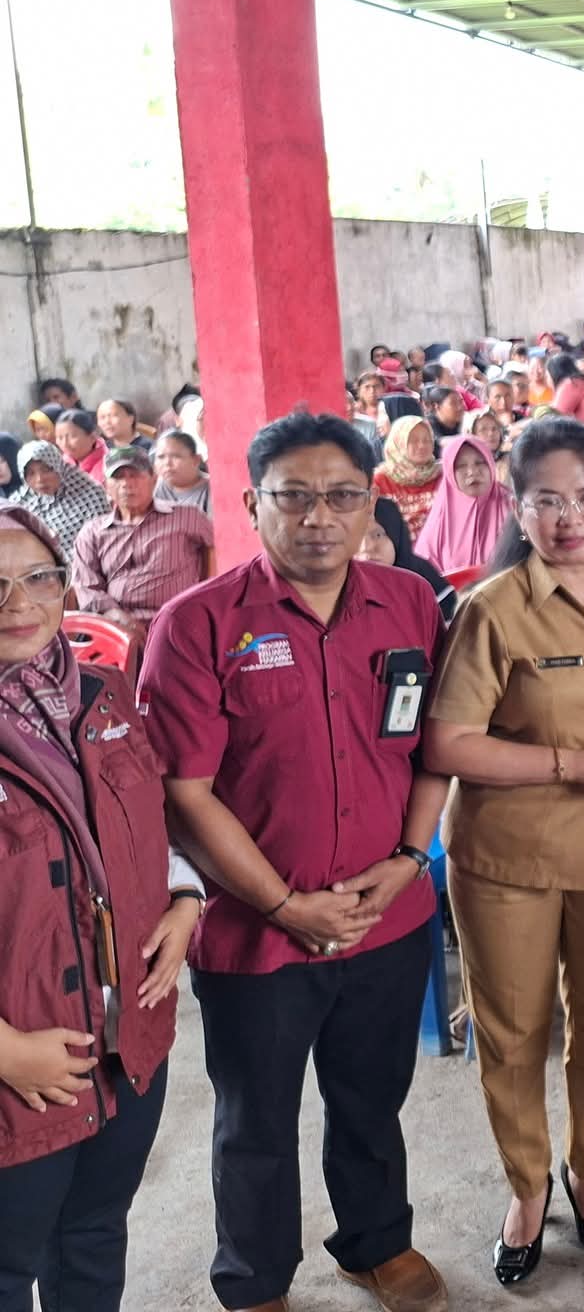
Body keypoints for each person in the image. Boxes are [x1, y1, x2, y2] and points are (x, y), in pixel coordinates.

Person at [141, 413, 451, 1312]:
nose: (320, 517)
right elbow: (185, 794)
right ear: (251, 504)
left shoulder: (409, 603)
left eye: (342, 496)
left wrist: (409, 858)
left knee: (371, 1097)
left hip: (387, 915)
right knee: (256, 1120)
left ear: (370, 503)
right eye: (295, 497)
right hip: (258, 934)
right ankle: (255, 1281)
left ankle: (375, 1243)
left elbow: (430, 747)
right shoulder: (198, 624)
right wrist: (284, 905)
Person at [421, 420, 584, 1285]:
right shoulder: (492, 610)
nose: (571, 518)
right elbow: (449, 742)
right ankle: (527, 1187)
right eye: (547, 501)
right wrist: (570, 764)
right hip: (508, 862)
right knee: (513, 1032)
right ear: (518, 508)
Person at [0, 504, 197, 1312]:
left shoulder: (103, 693)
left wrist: (184, 896)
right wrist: (6, 1053)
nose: (17, 604)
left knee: (92, 1233)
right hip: (24, 1062)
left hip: (123, 1035)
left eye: (36, 579)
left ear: (66, 585)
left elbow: (148, 822)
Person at [68, 447, 215, 636]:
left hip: (177, 623)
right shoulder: (92, 532)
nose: (127, 484)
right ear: (105, 485)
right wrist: (116, 616)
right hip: (116, 628)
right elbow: (86, 587)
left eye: (135, 475)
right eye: (118, 477)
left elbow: (221, 551)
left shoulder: (187, 517)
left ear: (154, 479)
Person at [411, 434, 515, 576]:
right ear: (449, 473)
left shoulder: (513, 508)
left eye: (480, 463)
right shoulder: (439, 520)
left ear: (491, 464)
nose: (472, 472)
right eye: (461, 466)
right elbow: (423, 575)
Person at [360, 498, 457, 626]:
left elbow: (452, 631)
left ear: (396, 535)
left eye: (378, 535)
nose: (366, 547)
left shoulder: (424, 579)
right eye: (356, 536)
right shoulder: (338, 587)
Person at [14, 440, 110, 562]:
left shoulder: (91, 493)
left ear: (58, 466)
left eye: (46, 469)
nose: (40, 479)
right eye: (31, 473)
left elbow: (103, 540)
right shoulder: (21, 505)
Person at [373, 415, 442, 542]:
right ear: (398, 442)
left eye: (427, 440)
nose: (422, 445)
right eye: (413, 440)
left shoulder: (442, 474)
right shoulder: (379, 480)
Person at [152, 430, 210, 515]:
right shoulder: (159, 486)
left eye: (176, 456)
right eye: (161, 457)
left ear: (196, 460)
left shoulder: (213, 491)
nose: (167, 463)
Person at [51, 413, 105, 487]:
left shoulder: (107, 465)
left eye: (72, 436)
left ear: (92, 437)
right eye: (60, 438)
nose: (65, 443)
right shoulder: (61, 465)